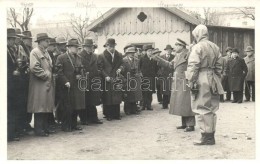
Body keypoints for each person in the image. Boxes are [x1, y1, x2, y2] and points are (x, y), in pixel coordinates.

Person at [186, 24, 224, 145]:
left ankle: (206, 137)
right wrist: (217, 78)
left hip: (201, 78)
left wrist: (191, 80)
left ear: (197, 34)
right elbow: (219, 66)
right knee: (212, 108)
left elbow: (193, 65)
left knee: (201, 107)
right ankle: (211, 135)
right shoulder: (215, 47)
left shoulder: (197, 47)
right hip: (213, 78)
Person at [153, 39, 195, 132]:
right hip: (178, 81)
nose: (175, 48)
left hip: (185, 81)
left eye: (176, 45)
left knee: (187, 103)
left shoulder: (188, 54)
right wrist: (158, 59)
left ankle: (191, 124)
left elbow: (193, 67)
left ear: (182, 46)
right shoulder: (178, 56)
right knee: (181, 103)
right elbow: (170, 65)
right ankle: (184, 123)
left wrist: (190, 79)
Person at [27, 33, 55, 137]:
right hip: (39, 84)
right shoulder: (35, 52)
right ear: (40, 41)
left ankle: (45, 127)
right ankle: (39, 130)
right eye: (46, 40)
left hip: (46, 84)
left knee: (46, 106)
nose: (48, 42)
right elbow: (34, 67)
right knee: (39, 107)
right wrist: (46, 75)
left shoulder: (46, 52)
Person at [56, 39, 85, 132]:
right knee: (67, 107)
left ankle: (73, 125)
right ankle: (65, 126)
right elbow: (59, 72)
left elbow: (81, 69)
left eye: (77, 47)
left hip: (76, 85)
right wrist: (65, 81)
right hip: (66, 86)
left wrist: (81, 75)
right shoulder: (61, 58)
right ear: (68, 48)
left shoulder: (79, 57)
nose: (77, 49)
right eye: (75, 47)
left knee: (76, 106)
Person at [97, 38, 124, 121]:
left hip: (116, 78)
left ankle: (116, 114)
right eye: (109, 46)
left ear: (114, 46)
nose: (111, 48)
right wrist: (105, 76)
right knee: (107, 97)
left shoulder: (119, 55)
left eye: (112, 46)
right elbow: (100, 68)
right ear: (106, 46)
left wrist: (120, 69)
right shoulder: (101, 56)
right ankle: (108, 114)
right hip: (107, 79)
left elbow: (122, 64)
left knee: (116, 96)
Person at [79, 38, 103, 125]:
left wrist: (98, 72)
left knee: (93, 100)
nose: (90, 48)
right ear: (84, 47)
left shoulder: (95, 56)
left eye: (91, 47)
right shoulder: (79, 56)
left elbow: (100, 66)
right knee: (84, 100)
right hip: (84, 80)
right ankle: (84, 119)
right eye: (88, 47)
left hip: (94, 80)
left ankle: (94, 118)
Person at [7, 28, 20, 141]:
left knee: (12, 109)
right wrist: (12, 72)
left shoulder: (11, 50)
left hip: (13, 85)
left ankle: (12, 133)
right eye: (12, 39)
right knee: (9, 109)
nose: (13, 41)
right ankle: (9, 135)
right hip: (8, 84)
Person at [122, 46, 143, 115]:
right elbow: (122, 71)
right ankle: (127, 110)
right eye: (130, 53)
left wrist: (139, 74)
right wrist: (124, 79)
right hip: (127, 79)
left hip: (135, 80)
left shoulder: (137, 60)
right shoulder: (123, 60)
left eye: (133, 53)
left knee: (134, 95)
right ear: (127, 53)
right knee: (128, 95)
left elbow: (139, 70)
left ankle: (134, 109)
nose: (132, 54)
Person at [139, 45, 158, 111]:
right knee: (144, 92)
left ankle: (149, 105)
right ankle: (143, 105)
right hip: (144, 78)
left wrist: (154, 75)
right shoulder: (142, 58)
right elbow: (139, 68)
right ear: (146, 52)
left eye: (151, 51)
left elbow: (156, 69)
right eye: (149, 51)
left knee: (150, 92)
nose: (150, 52)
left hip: (151, 78)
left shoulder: (154, 59)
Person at [157, 44, 175, 109]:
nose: (168, 51)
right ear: (165, 50)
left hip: (171, 75)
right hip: (164, 76)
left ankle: (171, 104)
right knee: (164, 90)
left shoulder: (174, 57)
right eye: (167, 50)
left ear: (171, 51)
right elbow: (158, 66)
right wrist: (160, 73)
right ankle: (164, 105)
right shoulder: (161, 57)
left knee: (171, 90)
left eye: (170, 50)